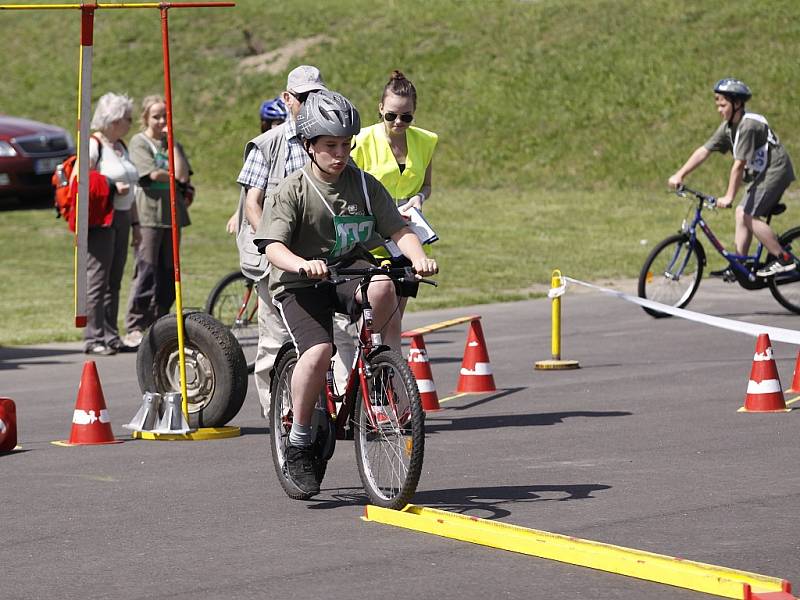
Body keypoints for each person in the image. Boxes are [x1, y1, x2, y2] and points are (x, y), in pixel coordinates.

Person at [254, 90, 438, 496]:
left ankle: (384, 369)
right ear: (309, 147)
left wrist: (418, 257)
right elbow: (272, 246)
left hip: (345, 271)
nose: (340, 154)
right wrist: (302, 264)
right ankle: (300, 440)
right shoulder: (292, 190)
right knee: (318, 352)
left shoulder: (365, 186)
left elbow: (399, 230)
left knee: (386, 283)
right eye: (330, 146)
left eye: (345, 145)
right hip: (300, 281)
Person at [233, 65, 355, 420]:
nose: (307, 103)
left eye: (315, 96)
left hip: (324, 255)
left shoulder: (331, 140)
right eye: (302, 98)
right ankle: (280, 417)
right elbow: (252, 204)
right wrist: (278, 242)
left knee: (344, 332)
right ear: (287, 99)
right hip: (273, 256)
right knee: (275, 339)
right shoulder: (268, 144)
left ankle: (349, 409)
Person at [668, 78, 796, 278]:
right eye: (717, 105)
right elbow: (704, 150)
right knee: (741, 213)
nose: (719, 109)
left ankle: (783, 258)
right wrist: (680, 174)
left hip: (775, 171)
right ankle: (740, 266)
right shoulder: (728, 127)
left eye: (723, 105)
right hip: (762, 173)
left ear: (737, 104)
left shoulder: (748, 126)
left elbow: (738, 166)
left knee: (748, 214)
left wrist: (728, 196)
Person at [351, 69, 438, 306]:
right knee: (372, 313)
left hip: (407, 237)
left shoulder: (426, 141)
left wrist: (419, 197)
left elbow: (427, 185)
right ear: (380, 108)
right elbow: (348, 189)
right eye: (391, 116)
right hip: (371, 240)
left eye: (406, 117)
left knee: (396, 314)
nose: (398, 122)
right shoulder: (359, 140)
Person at [122, 95, 193, 348]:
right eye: (156, 116)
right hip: (149, 215)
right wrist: (170, 175)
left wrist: (172, 143)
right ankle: (135, 324)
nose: (161, 121)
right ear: (146, 118)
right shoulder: (139, 143)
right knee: (146, 269)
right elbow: (151, 174)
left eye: (165, 116)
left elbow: (182, 175)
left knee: (167, 272)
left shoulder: (172, 144)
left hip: (171, 216)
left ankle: (159, 322)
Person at [83, 92, 141, 356]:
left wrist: (136, 224)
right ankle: (93, 337)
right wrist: (109, 185)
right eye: (127, 118)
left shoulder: (122, 146)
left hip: (122, 217)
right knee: (98, 278)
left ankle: (110, 334)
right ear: (114, 120)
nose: (130, 122)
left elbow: (132, 190)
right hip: (101, 220)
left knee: (114, 279)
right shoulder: (94, 144)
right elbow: (82, 180)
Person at [225, 95, 288, 235]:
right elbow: (250, 194)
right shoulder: (261, 149)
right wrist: (238, 214)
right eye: (277, 123)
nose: (282, 127)